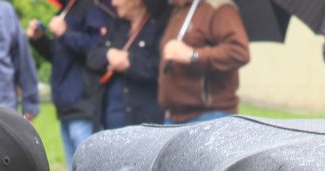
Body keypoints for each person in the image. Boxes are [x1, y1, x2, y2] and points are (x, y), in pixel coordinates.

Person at [29, 0, 116, 162]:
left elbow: (98, 51)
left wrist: (66, 33)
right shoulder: (66, 11)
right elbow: (59, 56)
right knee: (74, 170)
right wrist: (40, 40)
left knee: (87, 167)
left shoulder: (92, 9)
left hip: (84, 103)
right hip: (65, 105)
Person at [158, 0, 250, 124]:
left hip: (209, 116)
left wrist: (193, 55)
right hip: (174, 116)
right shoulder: (179, 10)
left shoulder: (218, 8)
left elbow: (238, 52)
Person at [89, 0, 166, 128]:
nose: (114, 3)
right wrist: (109, 54)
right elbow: (92, 57)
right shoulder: (115, 26)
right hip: (108, 117)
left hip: (143, 119)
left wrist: (129, 62)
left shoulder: (157, 27)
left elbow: (159, 68)